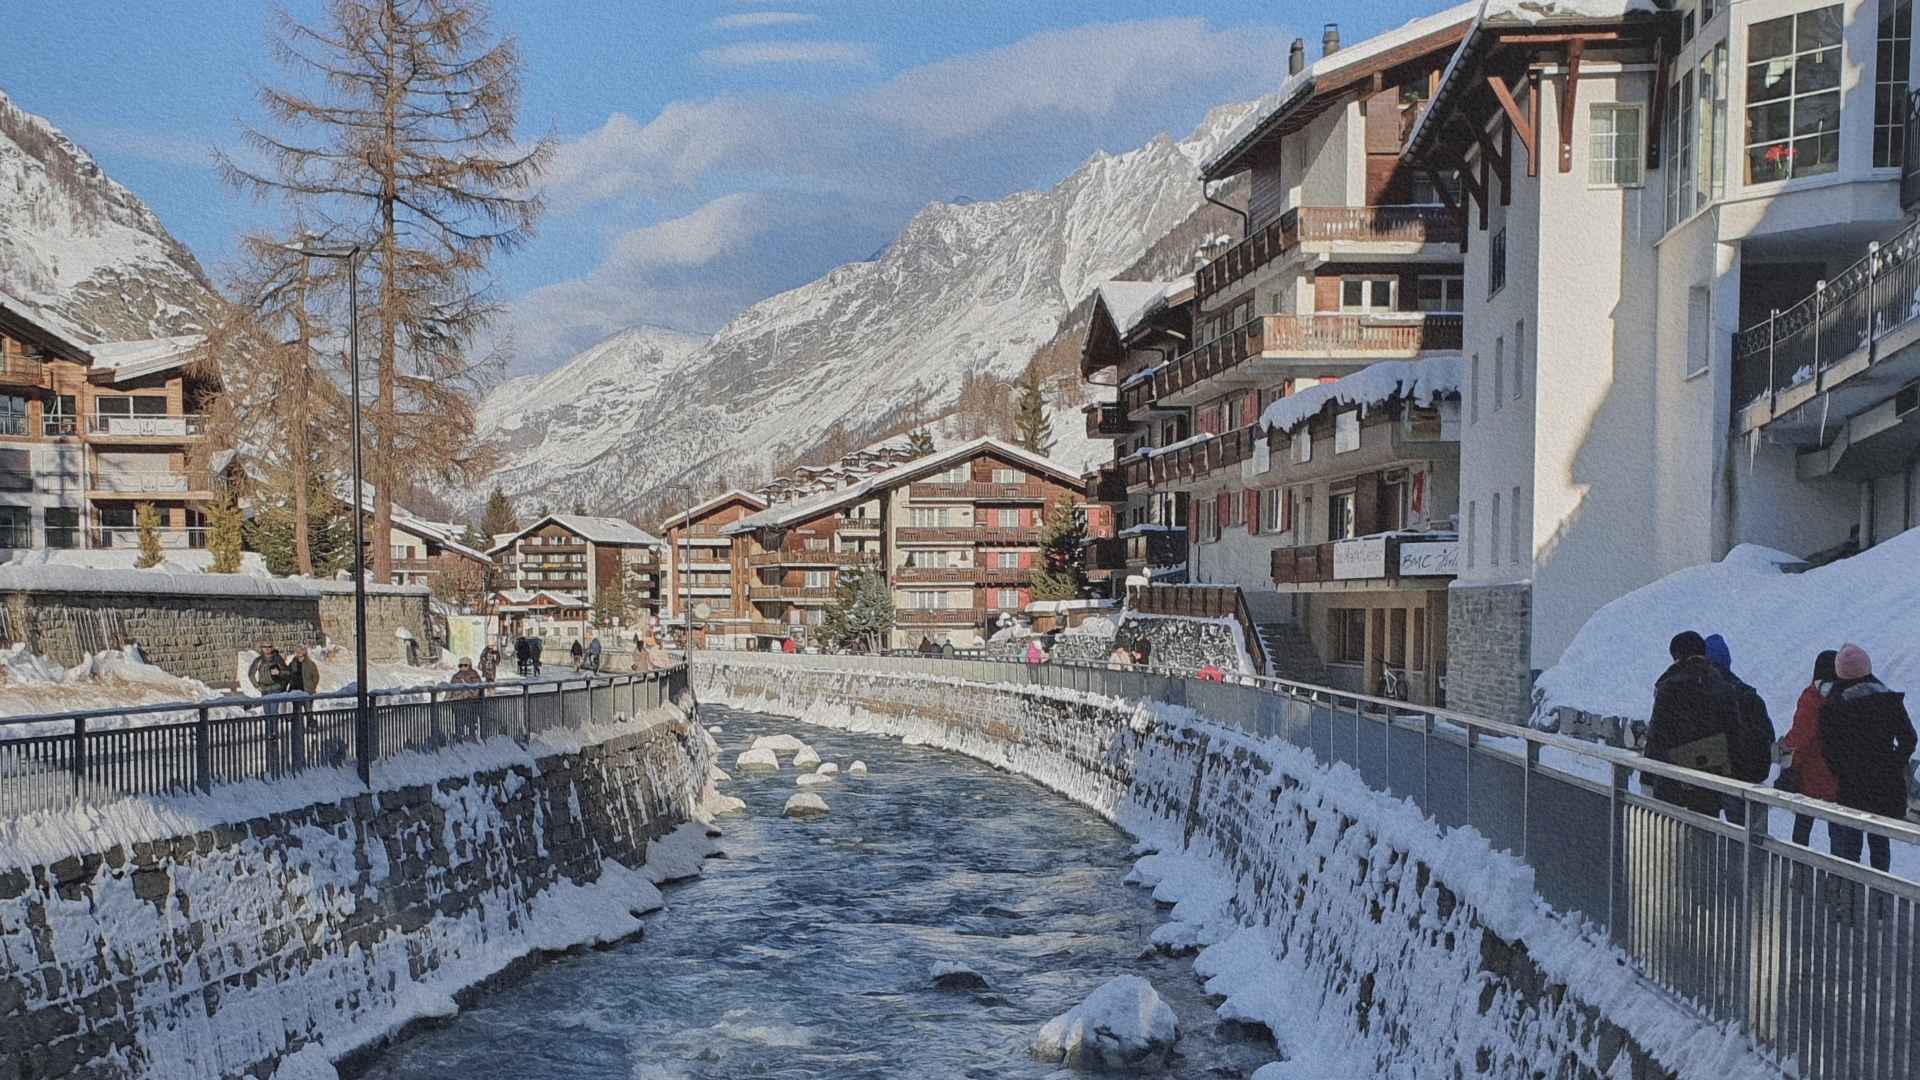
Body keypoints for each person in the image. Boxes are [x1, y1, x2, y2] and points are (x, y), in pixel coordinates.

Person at [1819, 643, 1916, 873]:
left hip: (1851, 787)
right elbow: (1909, 739)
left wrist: (1842, 769)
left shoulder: (1834, 706)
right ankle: (1879, 899)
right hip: (1885, 786)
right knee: (1880, 845)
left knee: (1850, 846)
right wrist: (1893, 763)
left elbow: (1829, 749)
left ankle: (1851, 900)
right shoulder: (1888, 700)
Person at [1643, 631, 1748, 817]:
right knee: (1704, 836)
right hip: (1708, 783)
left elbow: (1657, 736)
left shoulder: (1669, 687)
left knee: (1667, 839)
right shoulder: (1723, 687)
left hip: (1671, 781)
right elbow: (1735, 735)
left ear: (1679, 656)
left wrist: (1647, 777)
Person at [1699, 632, 1777, 824]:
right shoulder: (1746, 693)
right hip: (1744, 776)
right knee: (1747, 841)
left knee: (1702, 835)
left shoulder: (1700, 694)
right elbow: (1767, 735)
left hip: (1707, 775)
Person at [1780, 650, 1840, 849]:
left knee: (1802, 828)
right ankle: (1839, 876)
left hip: (1811, 774)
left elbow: (1800, 736)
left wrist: (1787, 755)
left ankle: (1799, 873)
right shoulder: (1847, 696)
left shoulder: (1812, 697)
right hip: (1839, 775)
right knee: (1839, 831)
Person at [448, 657, 485, 741]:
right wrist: (448, 699)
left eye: (465, 665)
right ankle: (459, 738)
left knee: (471, 722)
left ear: (470, 666)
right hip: (458, 704)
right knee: (459, 722)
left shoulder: (474, 675)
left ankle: (471, 737)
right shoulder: (456, 676)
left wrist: (468, 693)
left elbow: (477, 690)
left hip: (471, 704)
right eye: (460, 665)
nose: (463, 668)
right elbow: (450, 690)